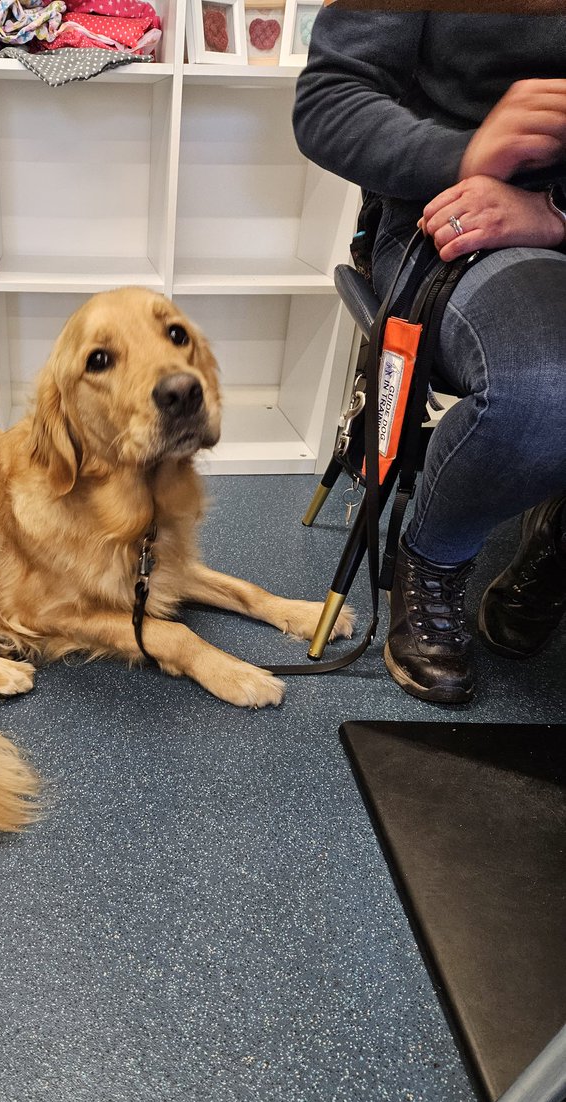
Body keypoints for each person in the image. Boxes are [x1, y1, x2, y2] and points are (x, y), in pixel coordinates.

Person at [293, 7, 566, 704]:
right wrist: (468, 153)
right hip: (461, 216)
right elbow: (329, 103)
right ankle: (433, 558)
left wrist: (558, 210)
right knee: (545, 384)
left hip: (552, 216)